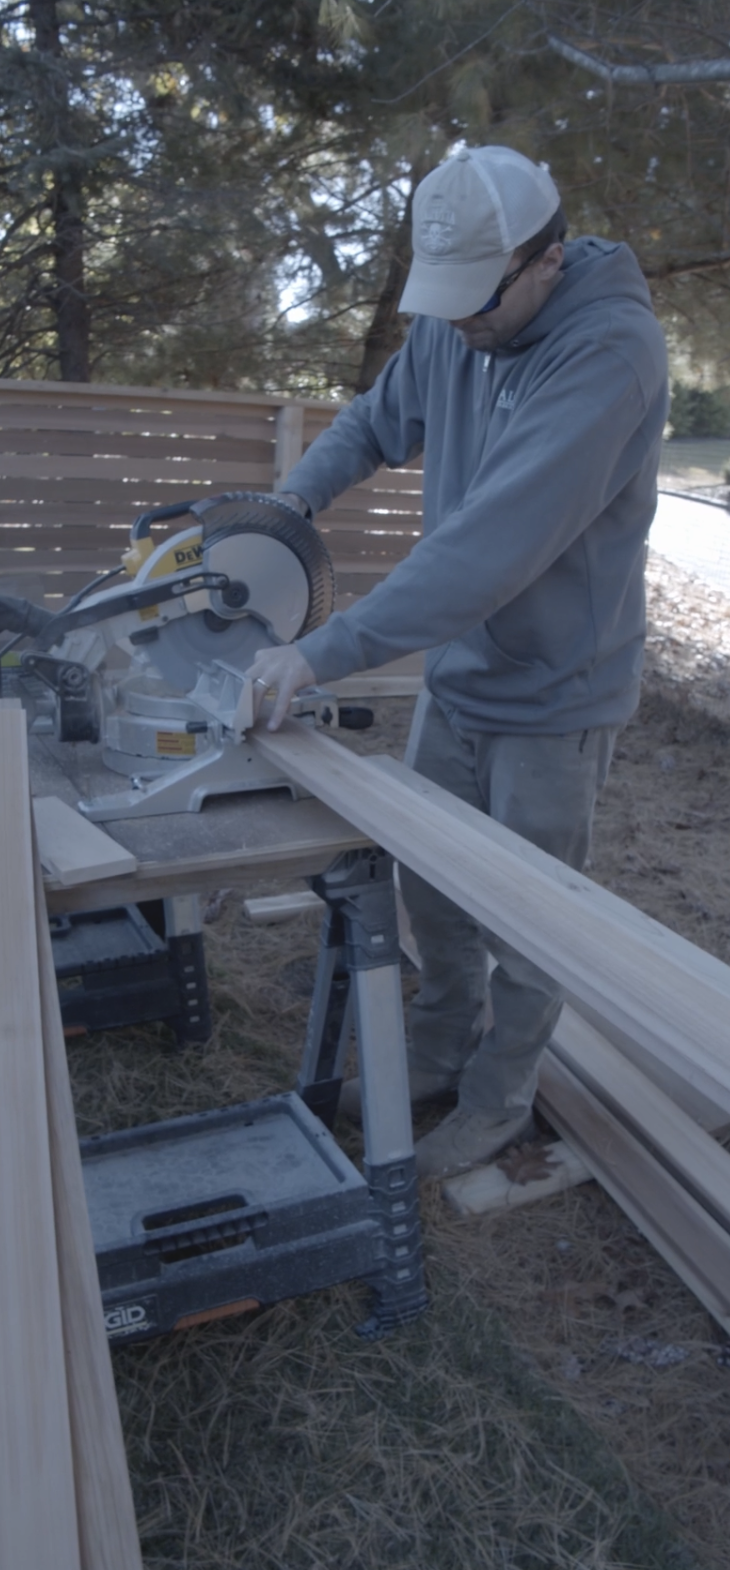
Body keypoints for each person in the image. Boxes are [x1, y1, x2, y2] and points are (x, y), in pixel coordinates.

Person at [246, 142, 669, 1181]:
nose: (460, 328)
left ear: (546, 261)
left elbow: (489, 549)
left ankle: (497, 1097)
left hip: (558, 687)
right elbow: (372, 421)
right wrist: (286, 507)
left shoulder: (609, 354)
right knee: (431, 889)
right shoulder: (457, 324)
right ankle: (435, 1053)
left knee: (530, 917)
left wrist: (323, 652)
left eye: (477, 305)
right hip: (462, 673)